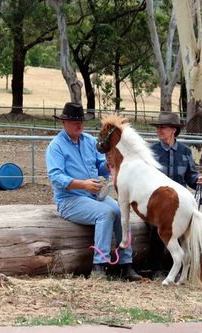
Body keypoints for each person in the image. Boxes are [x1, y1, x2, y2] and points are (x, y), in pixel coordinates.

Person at [45, 102, 141, 281]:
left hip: (94, 195)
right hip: (69, 200)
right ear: (63, 123)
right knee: (106, 213)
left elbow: (101, 167)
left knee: (121, 210)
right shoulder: (55, 146)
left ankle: (126, 264)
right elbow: (56, 177)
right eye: (74, 121)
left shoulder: (89, 140)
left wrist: (108, 163)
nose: (78, 124)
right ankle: (99, 266)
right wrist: (83, 185)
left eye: (80, 120)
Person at [148, 111, 202, 279]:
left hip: (180, 203)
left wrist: (198, 180)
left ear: (173, 130)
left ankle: (188, 269)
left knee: (189, 229)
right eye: (158, 128)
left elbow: (190, 176)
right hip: (158, 203)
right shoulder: (151, 152)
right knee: (156, 228)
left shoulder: (185, 151)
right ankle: (156, 269)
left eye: (163, 127)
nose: (159, 130)